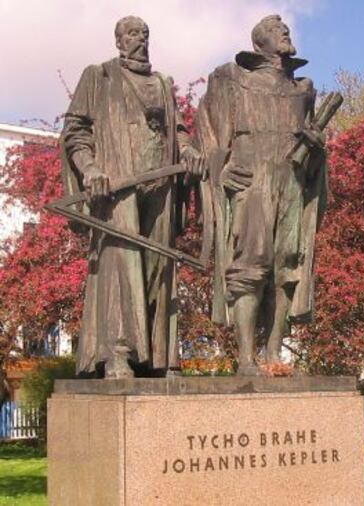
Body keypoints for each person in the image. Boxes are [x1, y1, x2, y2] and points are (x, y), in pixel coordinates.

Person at [61, 15, 201, 377]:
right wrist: (90, 169)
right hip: (119, 185)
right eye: (132, 34)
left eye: (144, 34)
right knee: (121, 266)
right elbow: (76, 131)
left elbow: (179, 130)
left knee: (159, 269)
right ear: (119, 41)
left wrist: (186, 151)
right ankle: (118, 353)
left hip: (162, 185)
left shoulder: (162, 82)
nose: (140, 39)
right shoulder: (100, 75)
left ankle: (159, 357)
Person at [197, 14, 327, 374]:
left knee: (288, 263)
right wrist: (219, 168)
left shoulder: (304, 90)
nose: (284, 32)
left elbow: (314, 149)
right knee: (250, 265)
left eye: (284, 29)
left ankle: (272, 352)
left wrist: (318, 149)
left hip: (292, 183)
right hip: (251, 181)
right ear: (258, 44)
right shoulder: (231, 80)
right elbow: (207, 130)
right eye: (274, 30)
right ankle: (244, 357)